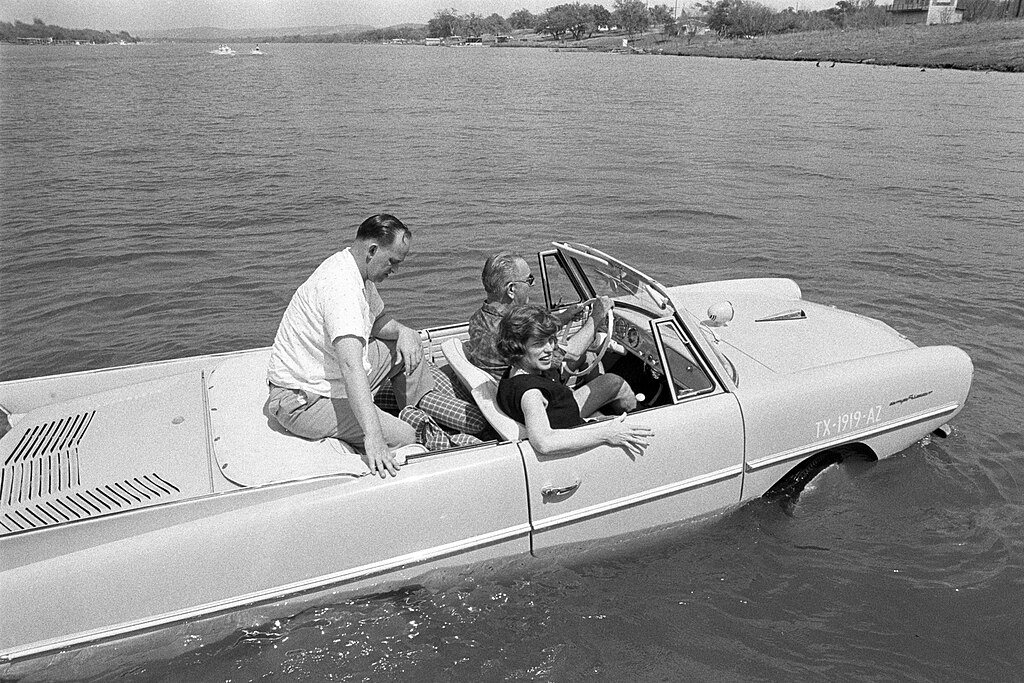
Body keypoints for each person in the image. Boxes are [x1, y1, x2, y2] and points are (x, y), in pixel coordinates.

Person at [266, 214, 484, 478]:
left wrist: (404, 331)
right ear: (372, 250)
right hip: (304, 400)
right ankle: (412, 429)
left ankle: (419, 409)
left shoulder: (356, 270)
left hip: (326, 376)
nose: (394, 270)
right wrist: (374, 436)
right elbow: (350, 366)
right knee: (404, 435)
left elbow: (378, 321)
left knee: (408, 345)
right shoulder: (341, 287)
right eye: (392, 262)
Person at [466, 251, 634, 413]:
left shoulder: (479, 318)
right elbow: (573, 353)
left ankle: (597, 402)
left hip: (515, 393)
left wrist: (565, 317)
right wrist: (597, 315)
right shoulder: (508, 334)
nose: (533, 284)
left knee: (589, 357)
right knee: (615, 382)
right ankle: (639, 415)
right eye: (529, 280)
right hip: (545, 404)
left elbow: (532, 330)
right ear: (511, 289)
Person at [495, 305, 653, 457]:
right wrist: (607, 434)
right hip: (576, 434)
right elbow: (544, 442)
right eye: (538, 344)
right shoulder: (531, 394)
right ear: (517, 347)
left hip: (562, 415)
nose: (550, 349)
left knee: (612, 381)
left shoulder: (513, 373)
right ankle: (652, 424)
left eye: (551, 340)